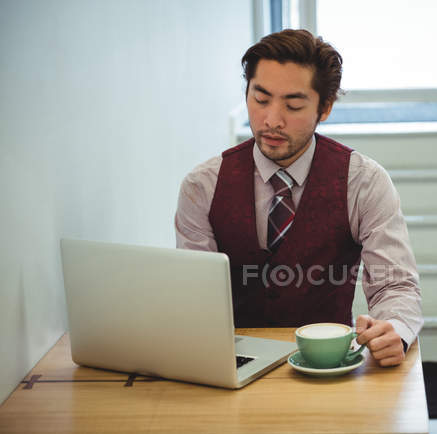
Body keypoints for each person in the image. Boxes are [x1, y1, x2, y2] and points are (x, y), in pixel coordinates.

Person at [175, 29, 422, 367]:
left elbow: (395, 284)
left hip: (328, 365)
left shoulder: (364, 182)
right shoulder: (202, 186)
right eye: (260, 99)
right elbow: (193, 296)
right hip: (230, 365)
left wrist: (394, 327)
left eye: (292, 105)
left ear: (325, 108)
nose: (271, 120)